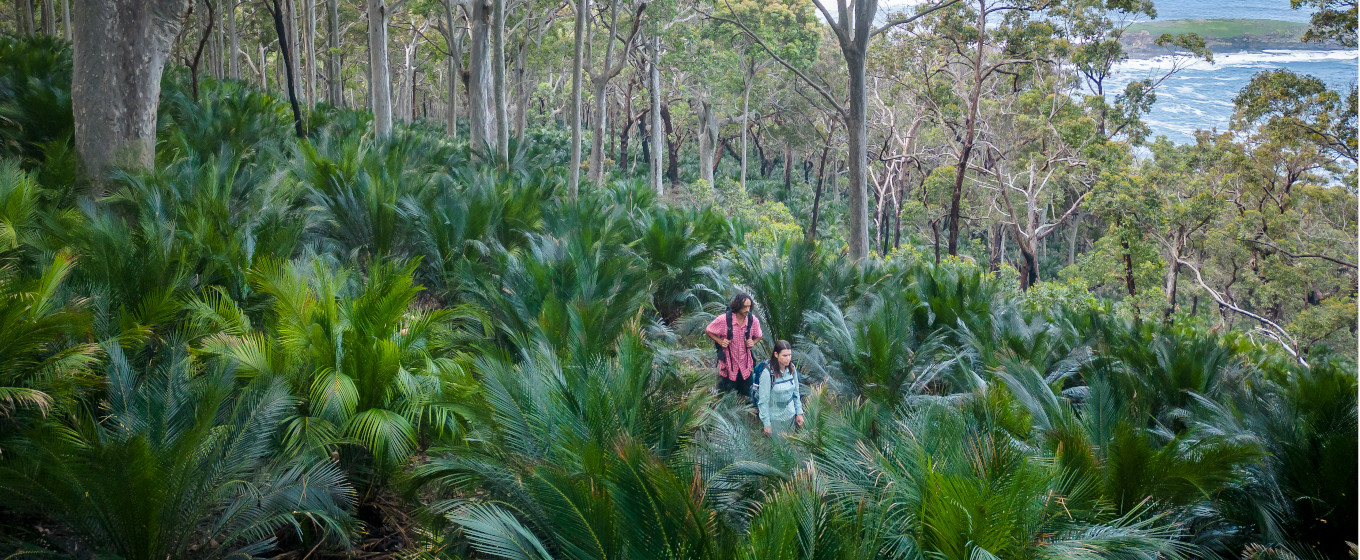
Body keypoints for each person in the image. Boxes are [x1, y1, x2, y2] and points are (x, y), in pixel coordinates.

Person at [705, 292, 763, 398]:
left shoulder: (752, 320)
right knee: (724, 398)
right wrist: (719, 341)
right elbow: (709, 329)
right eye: (744, 306)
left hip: (745, 367)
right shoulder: (724, 320)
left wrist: (753, 342)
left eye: (749, 306)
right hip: (727, 367)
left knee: (746, 398)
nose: (747, 309)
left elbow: (759, 335)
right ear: (738, 306)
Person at [755, 340, 804, 435]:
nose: (788, 358)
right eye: (784, 356)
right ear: (776, 354)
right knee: (778, 447)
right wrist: (766, 423)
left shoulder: (792, 369)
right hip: (774, 419)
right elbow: (763, 400)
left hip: (790, 416)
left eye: (790, 355)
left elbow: (796, 393)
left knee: (789, 444)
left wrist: (799, 412)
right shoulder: (768, 373)